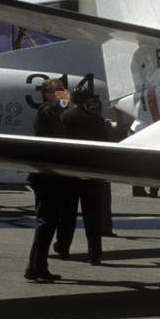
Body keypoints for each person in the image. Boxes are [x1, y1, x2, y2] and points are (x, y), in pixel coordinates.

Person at [25, 78, 72, 282]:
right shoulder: (45, 112)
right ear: (47, 95)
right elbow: (55, 109)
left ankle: (36, 266)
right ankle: (36, 267)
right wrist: (65, 99)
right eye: (57, 91)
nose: (61, 93)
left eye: (63, 90)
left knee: (49, 222)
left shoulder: (54, 115)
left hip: (51, 176)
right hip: (45, 177)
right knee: (46, 222)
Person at [61, 86, 111, 264]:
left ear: (72, 100)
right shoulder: (97, 121)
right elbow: (105, 145)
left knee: (68, 213)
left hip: (71, 172)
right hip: (91, 172)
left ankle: (63, 246)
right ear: (88, 101)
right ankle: (94, 252)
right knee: (92, 216)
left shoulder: (65, 118)